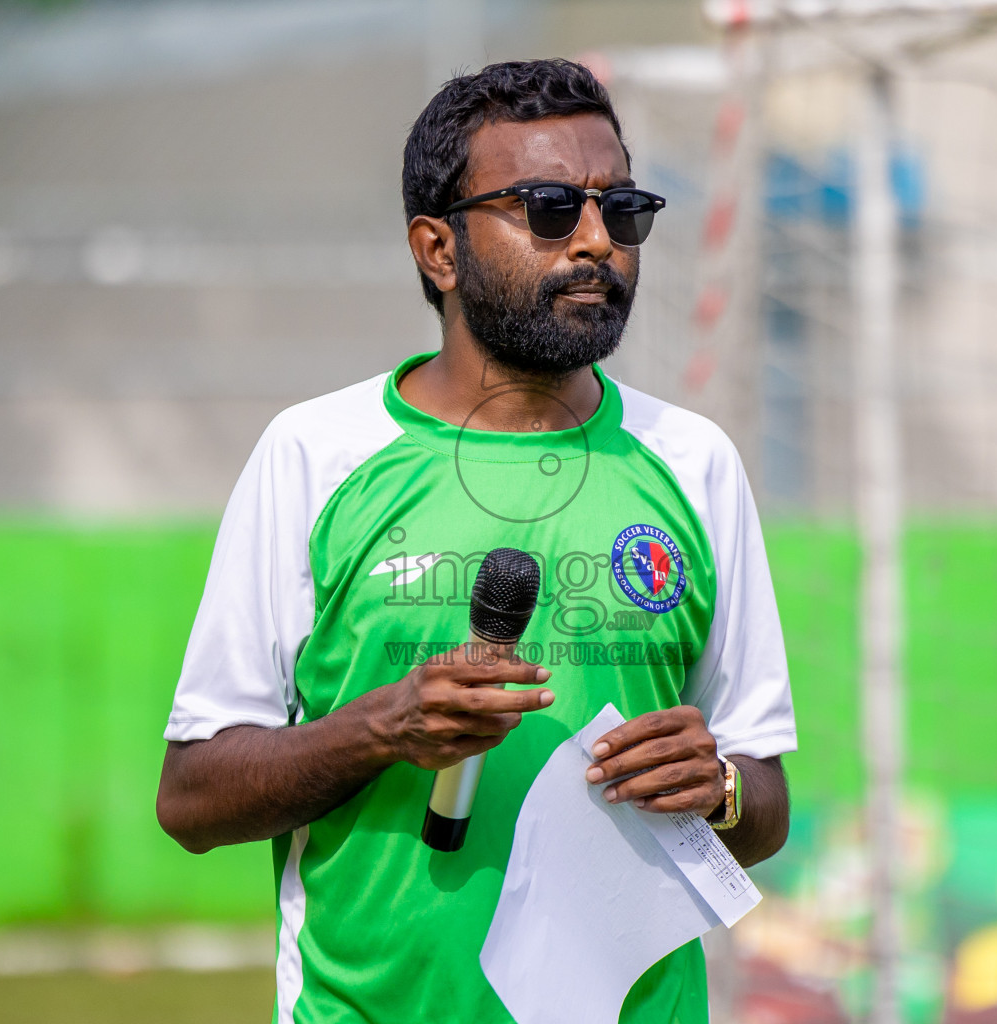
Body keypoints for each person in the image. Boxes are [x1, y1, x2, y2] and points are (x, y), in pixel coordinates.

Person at [156, 59, 798, 1024]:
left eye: (619, 210)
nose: (596, 243)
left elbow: (765, 805)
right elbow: (193, 800)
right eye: (547, 208)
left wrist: (714, 788)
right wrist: (382, 727)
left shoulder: (692, 461)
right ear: (437, 249)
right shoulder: (316, 455)